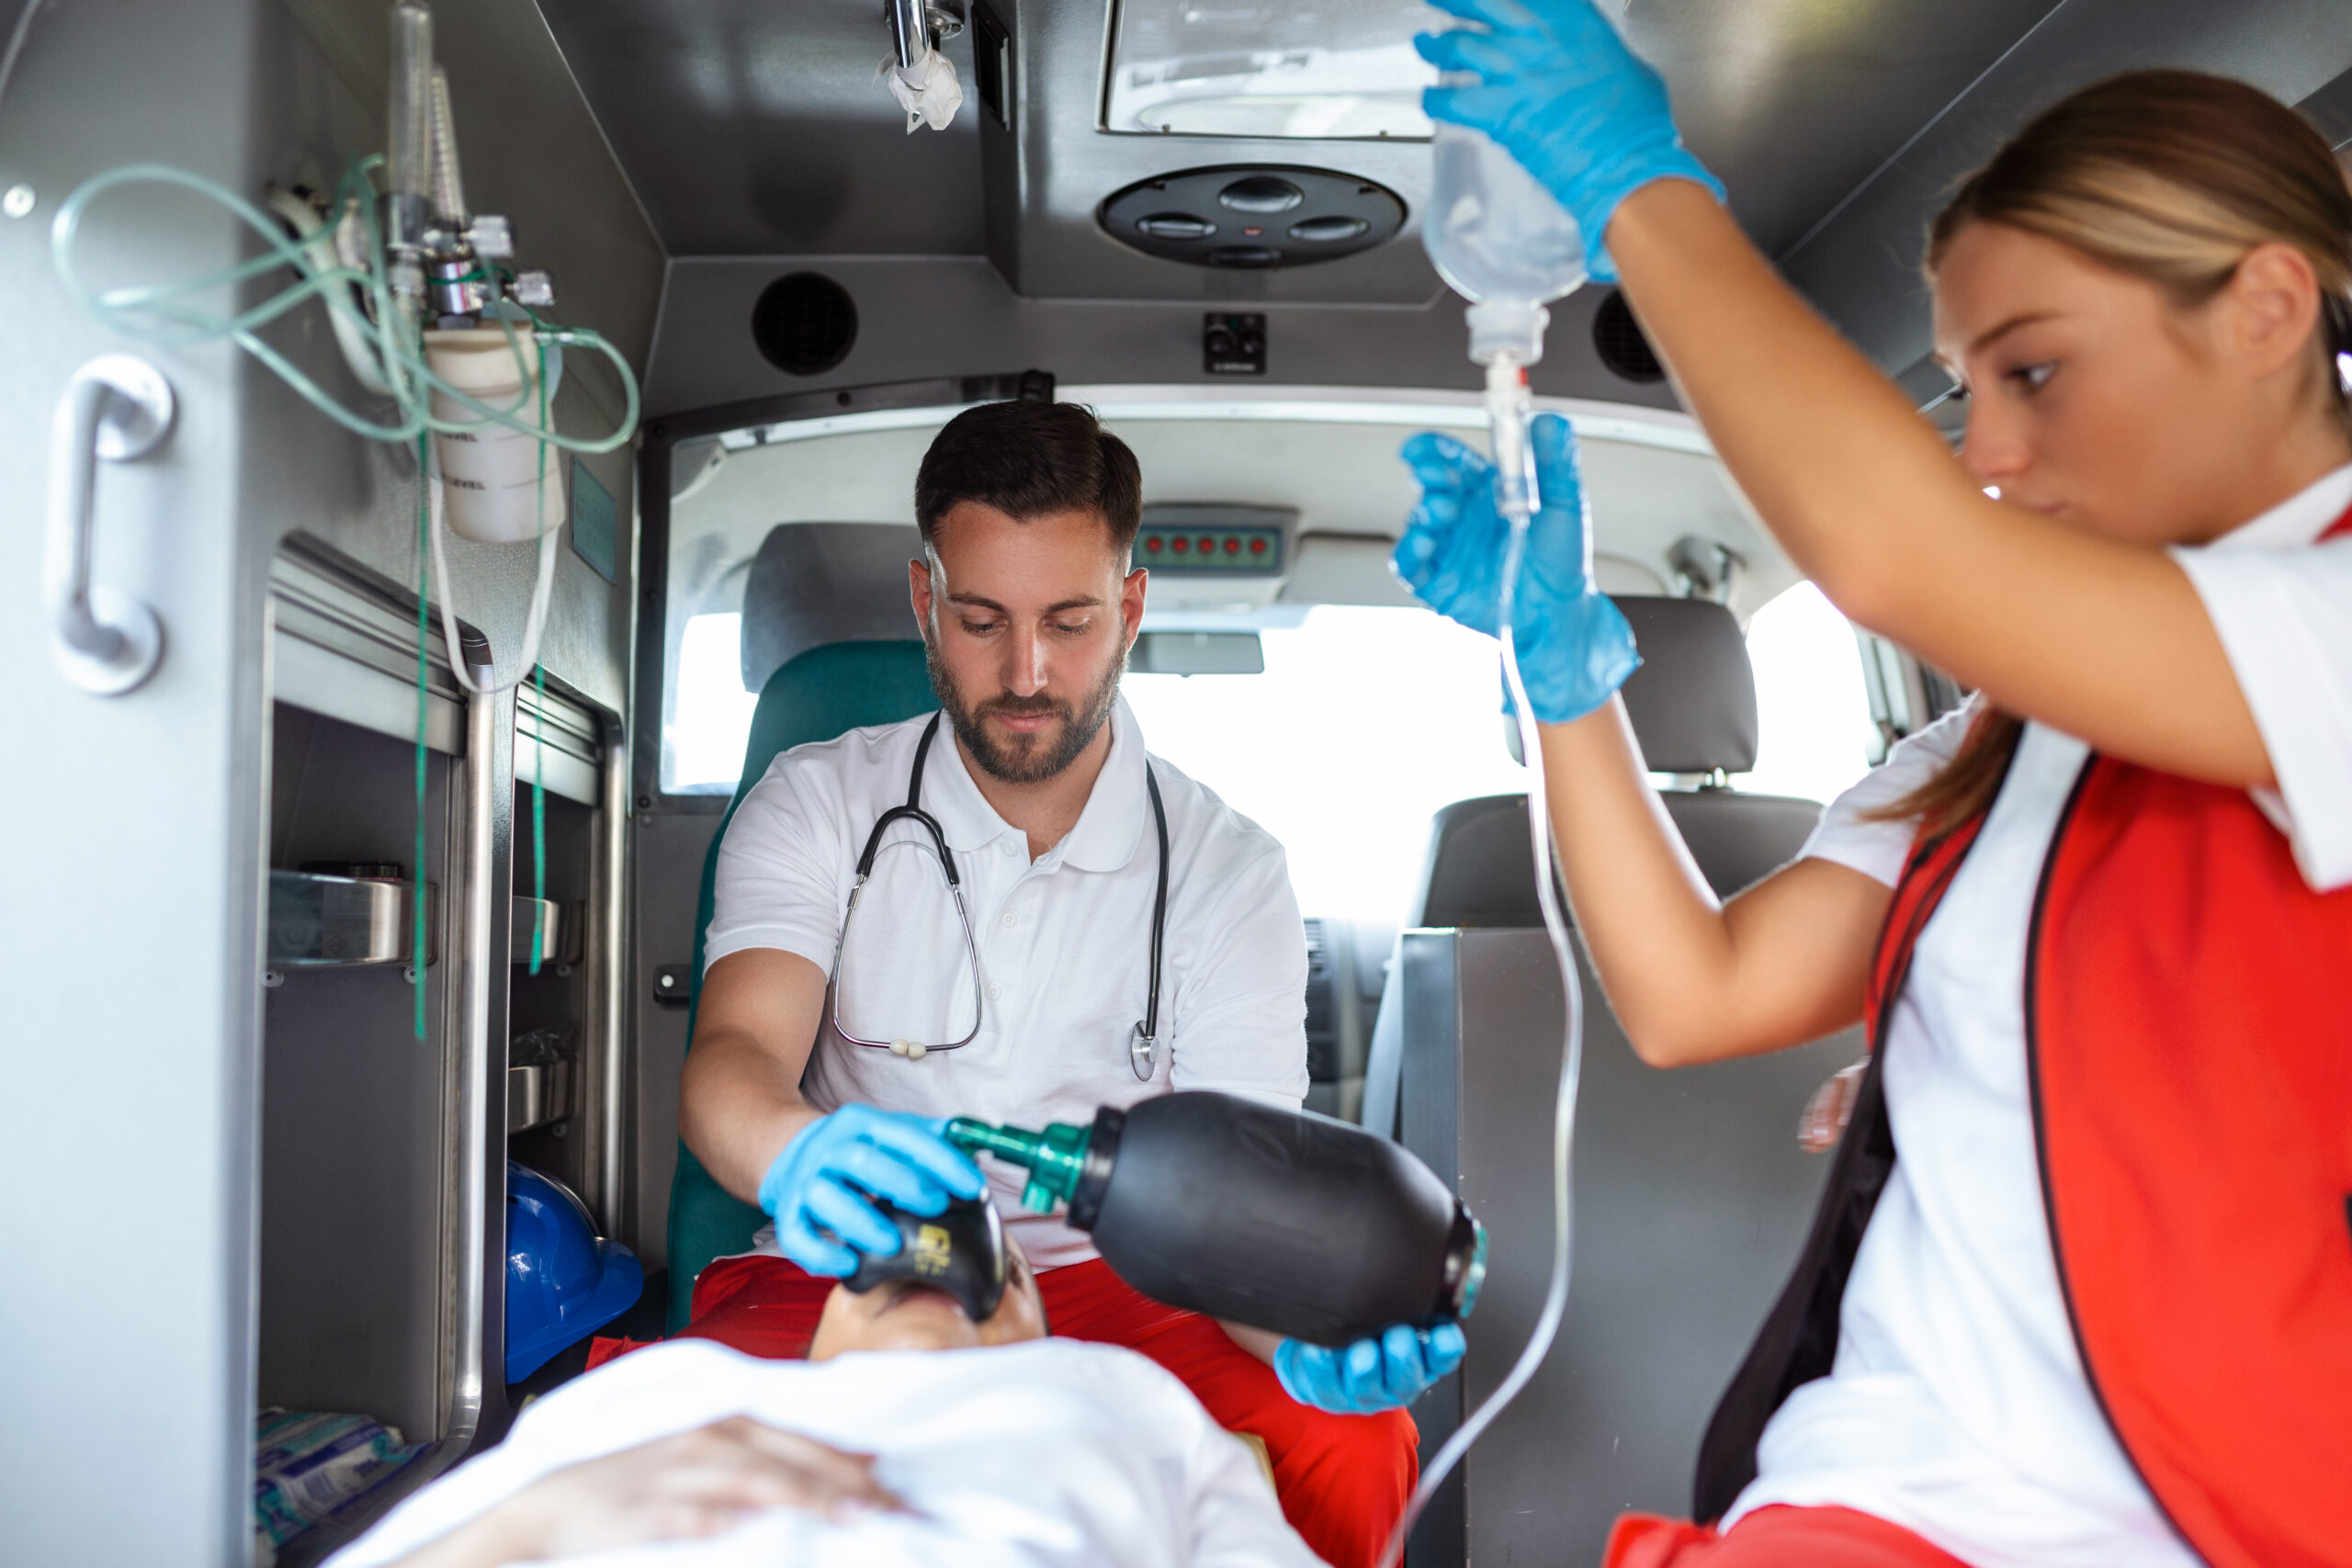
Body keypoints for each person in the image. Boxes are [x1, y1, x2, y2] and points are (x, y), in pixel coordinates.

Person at [1394, 9, 2352, 1567]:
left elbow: (1901, 552)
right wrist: (1560, 676)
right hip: (1865, 1508)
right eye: (1967, 390)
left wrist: (1637, 185)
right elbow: (1693, 994)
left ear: (2265, 309)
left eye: (2035, 369)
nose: (1987, 451)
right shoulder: (1998, 738)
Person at [676, 398, 1459, 1568]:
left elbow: (1241, 1207)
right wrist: (794, 1155)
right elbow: (733, 1059)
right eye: (982, 620)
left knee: (1352, 1439)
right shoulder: (818, 799)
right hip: (867, 1275)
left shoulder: (1228, 870)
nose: (1027, 673)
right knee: (667, 1443)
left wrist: (1297, 1333)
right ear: (923, 603)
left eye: (1071, 621)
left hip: (1128, 1283)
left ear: (1131, 607)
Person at [326, 1232, 1327, 1568]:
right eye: (879, 1267)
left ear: (1045, 1341)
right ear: (811, 1334)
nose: (940, 1259)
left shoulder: (1123, 1394)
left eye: (1003, 1274)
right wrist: (532, 1521)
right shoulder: (663, 1393)